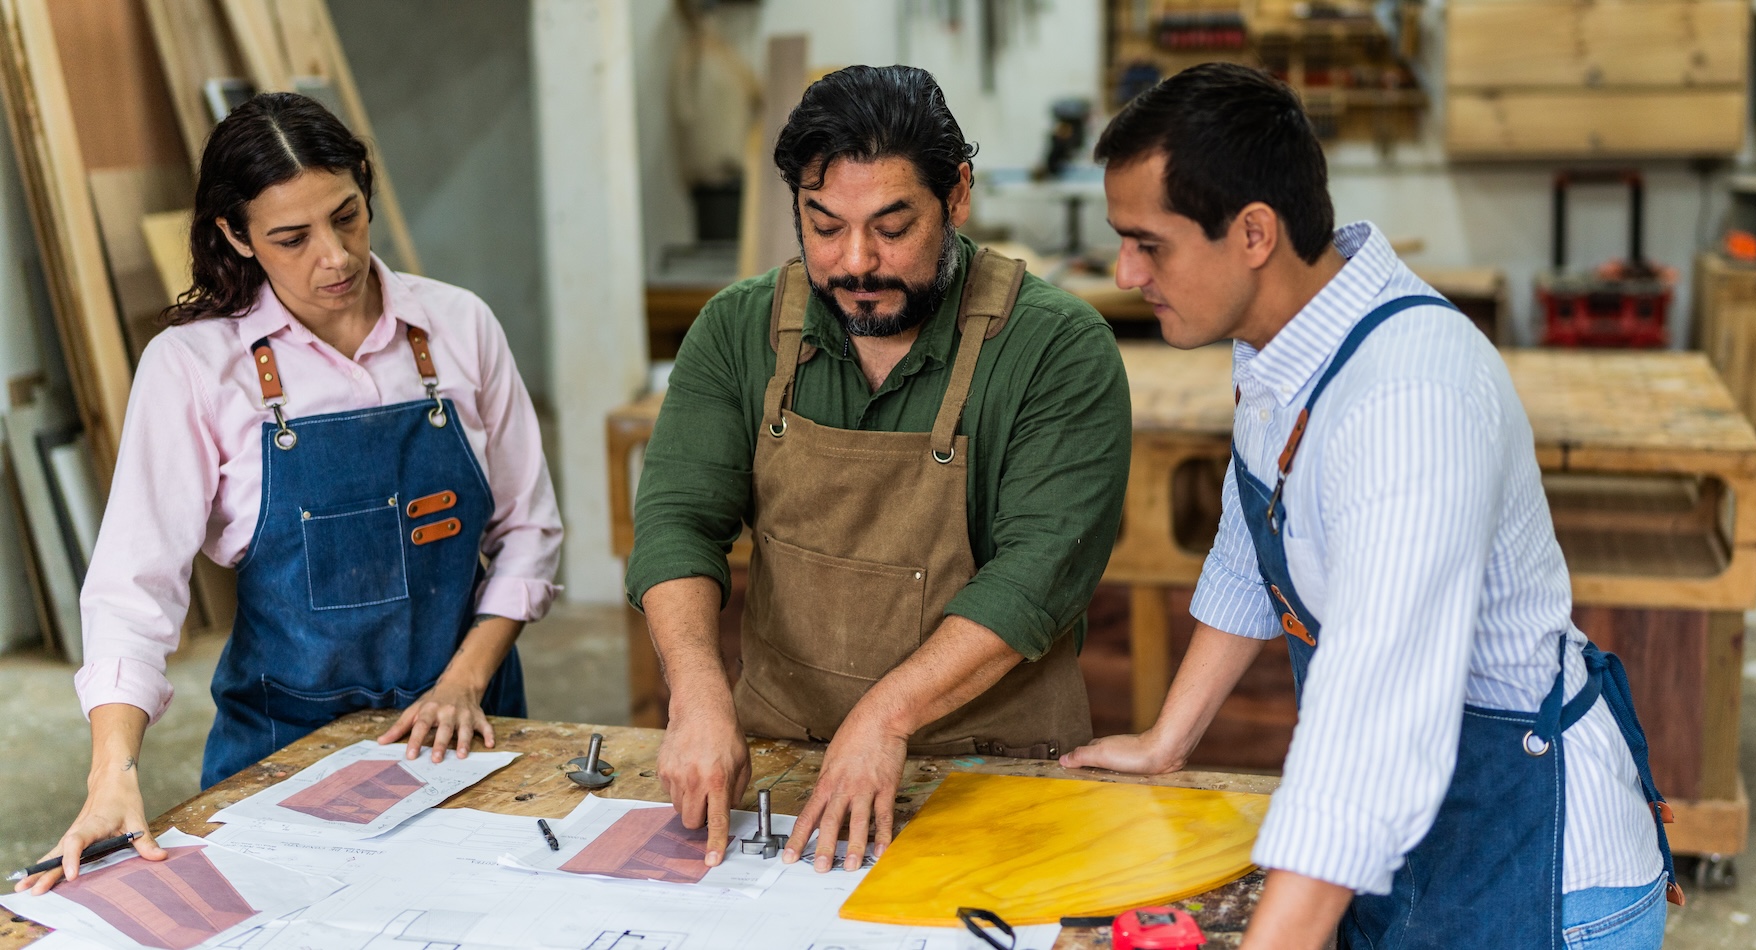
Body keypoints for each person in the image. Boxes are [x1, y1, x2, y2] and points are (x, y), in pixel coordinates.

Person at [1060, 64, 1676, 948]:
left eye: (1148, 243)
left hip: (1542, 884)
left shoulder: (1407, 399)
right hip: (1417, 860)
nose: (1124, 272)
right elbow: (1254, 545)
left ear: (1254, 234)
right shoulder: (1283, 349)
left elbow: (1372, 722)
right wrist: (1168, 739)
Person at [19, 93, 561, 894]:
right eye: (291, 238)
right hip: (285, 747)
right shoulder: (196, 367)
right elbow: (133, 591)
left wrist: (464, 679)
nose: (335, 257)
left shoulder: (458, 326)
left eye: (347, 217)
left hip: (466, 729)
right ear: (236, 236)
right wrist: (112, 772)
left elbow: (529, 531)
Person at [627, 65, 1129, 873]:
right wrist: (695, 690)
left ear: (956, 195)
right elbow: (678, 522)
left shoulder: (1057, 349)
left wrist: (886, 718)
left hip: (991, 768)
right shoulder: (738, 329)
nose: (855, 262)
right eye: (823, 227)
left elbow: (1036, 576)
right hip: (782, 761)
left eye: (893, 227)